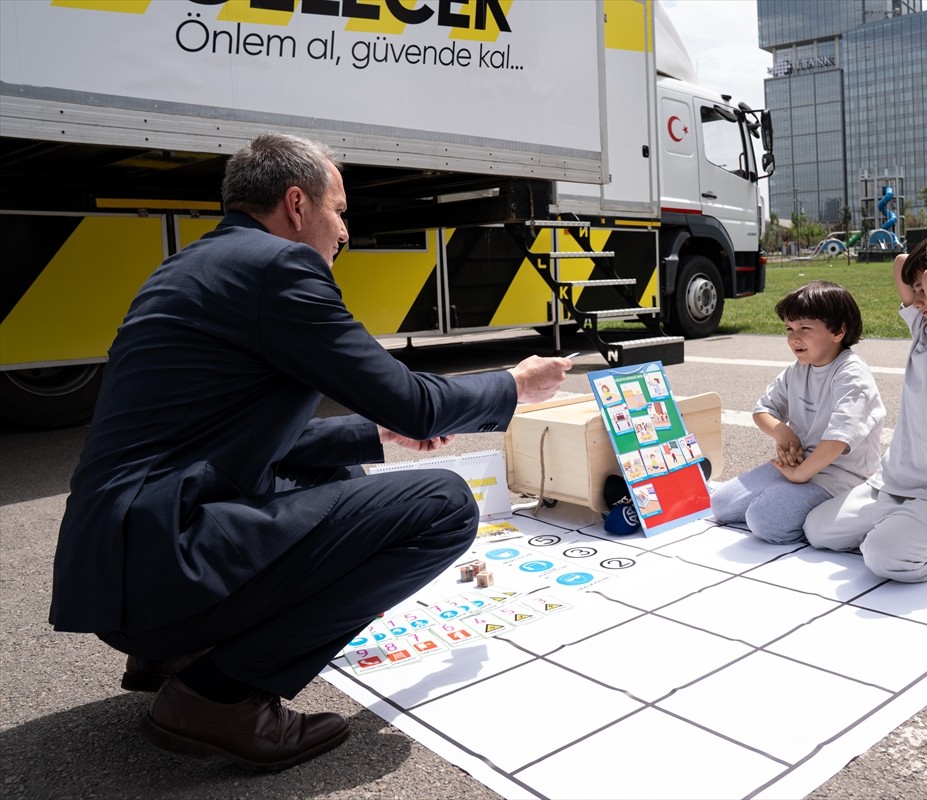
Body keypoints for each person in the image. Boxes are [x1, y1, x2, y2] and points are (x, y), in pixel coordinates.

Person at [48, 133, 571, 770]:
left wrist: (376, 431)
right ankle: (218, 696)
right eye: (339, 211)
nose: (344, 233)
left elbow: (224, 434)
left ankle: (176, 654)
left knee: (339, 468)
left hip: (118, 570)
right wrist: (514, 385)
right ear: (297, 205)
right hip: (163, 562)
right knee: (444, 506)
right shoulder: (279, 268)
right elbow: (414, 401)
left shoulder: (196, 266)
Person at [805, 227, 927, 582]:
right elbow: (903, 265)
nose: (916, 299)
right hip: (893, 484)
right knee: (817, 529)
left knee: (883, 557)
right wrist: (926, 280)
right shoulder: (925, 328)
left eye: (923, 292)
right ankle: (900, 531)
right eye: (915, 291)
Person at [709, 281, 885, 544]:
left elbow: (838, 439)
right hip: (800, 464)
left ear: (838, 331)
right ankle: (790, 500)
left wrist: (799, 476)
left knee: (764, 521)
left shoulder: (851, 374)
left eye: (805, 328)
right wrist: (782, 431)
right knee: (722, 503)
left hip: (840, 475)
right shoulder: (799, 369)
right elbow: (762, 411)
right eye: (789, 329)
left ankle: (840, 515)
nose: (794, 338)